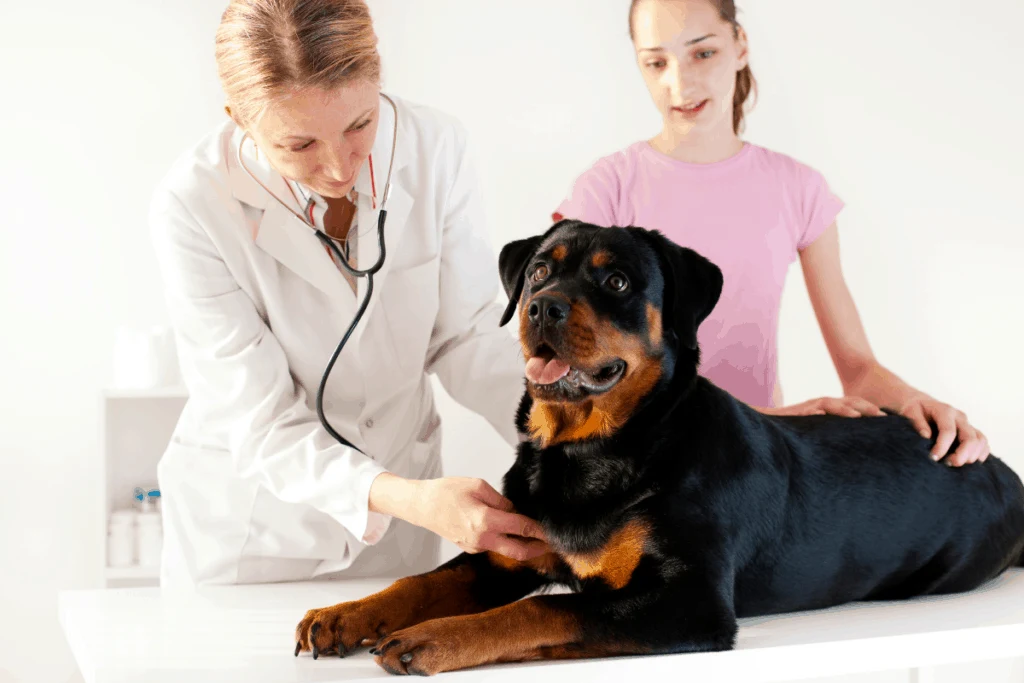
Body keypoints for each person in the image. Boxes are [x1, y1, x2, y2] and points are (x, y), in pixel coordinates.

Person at [149, 0, 546, 588]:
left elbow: (463, 334)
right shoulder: (194, 203)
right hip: (254, 538)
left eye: (360, 124)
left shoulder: (435, 149)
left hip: (397, 537)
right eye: (299, 145)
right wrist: (407, 498)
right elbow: (259, 423)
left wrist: (573, 434)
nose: (339, 167)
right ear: (240, 119)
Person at [553, 0, 989, 467]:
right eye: (657, 62)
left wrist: (919, 405)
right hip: (636, 467)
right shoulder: (605, 190)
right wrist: (765, 417)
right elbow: (580, 374)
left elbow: (858, 368)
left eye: (703, 53)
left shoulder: (799, 189)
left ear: (740, 46)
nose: (679, 83)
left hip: (749, 464)